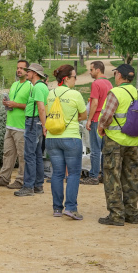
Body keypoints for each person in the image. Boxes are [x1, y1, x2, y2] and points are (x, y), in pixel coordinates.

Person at [97, 64, 138, 226]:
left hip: (115, 141)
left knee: (112, 177)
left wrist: (101, 128)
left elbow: (106, 116)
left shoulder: (115, 93)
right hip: (133, 143)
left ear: (119, 75)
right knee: (131, 178)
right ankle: (131, 213)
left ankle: (116, 215)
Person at [46, 65, 87, 219]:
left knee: (57, 174)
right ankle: (70, 207)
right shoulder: (75, 95)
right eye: (74, 77)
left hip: (52, 138)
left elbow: (47, 111)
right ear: (67, 78)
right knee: (74, 173)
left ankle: (57, 208)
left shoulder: (51, 94)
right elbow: (83, 115)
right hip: (70, 137)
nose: (76, 79)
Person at [0, 60, 31, 189]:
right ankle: (4, 178)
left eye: (22, 68)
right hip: (10, 124)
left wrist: (16, 105)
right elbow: (13, 101)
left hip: (21, 125)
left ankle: (20, 180)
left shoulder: (30, 86)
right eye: (17, 68)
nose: (19, 70)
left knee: (22, 155)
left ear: (27, 71)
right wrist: (6, 102)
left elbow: (32, 106)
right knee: (8, 153)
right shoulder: (14, 84)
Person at [14, 63, 48, 197]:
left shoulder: (37, 87)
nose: (26, 73)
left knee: (29, 155)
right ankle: (38, 185)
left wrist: (43, 125)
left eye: (29, 71)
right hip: (37, 123)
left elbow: (41, 107)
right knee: (37, 154)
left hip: (34, 122)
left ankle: (28, 186)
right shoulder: (42, 86)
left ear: (34, 73)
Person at [81, 61, 112, 185]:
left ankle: (93, 176)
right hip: (106, 120)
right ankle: (104, 175)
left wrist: (89, 119)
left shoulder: (96, 84)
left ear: (98, 70)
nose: (90, 72)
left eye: (91, 69)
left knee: (95, 149)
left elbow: (94, 103)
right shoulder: (109, 83)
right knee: (105, 149)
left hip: (96, 119)